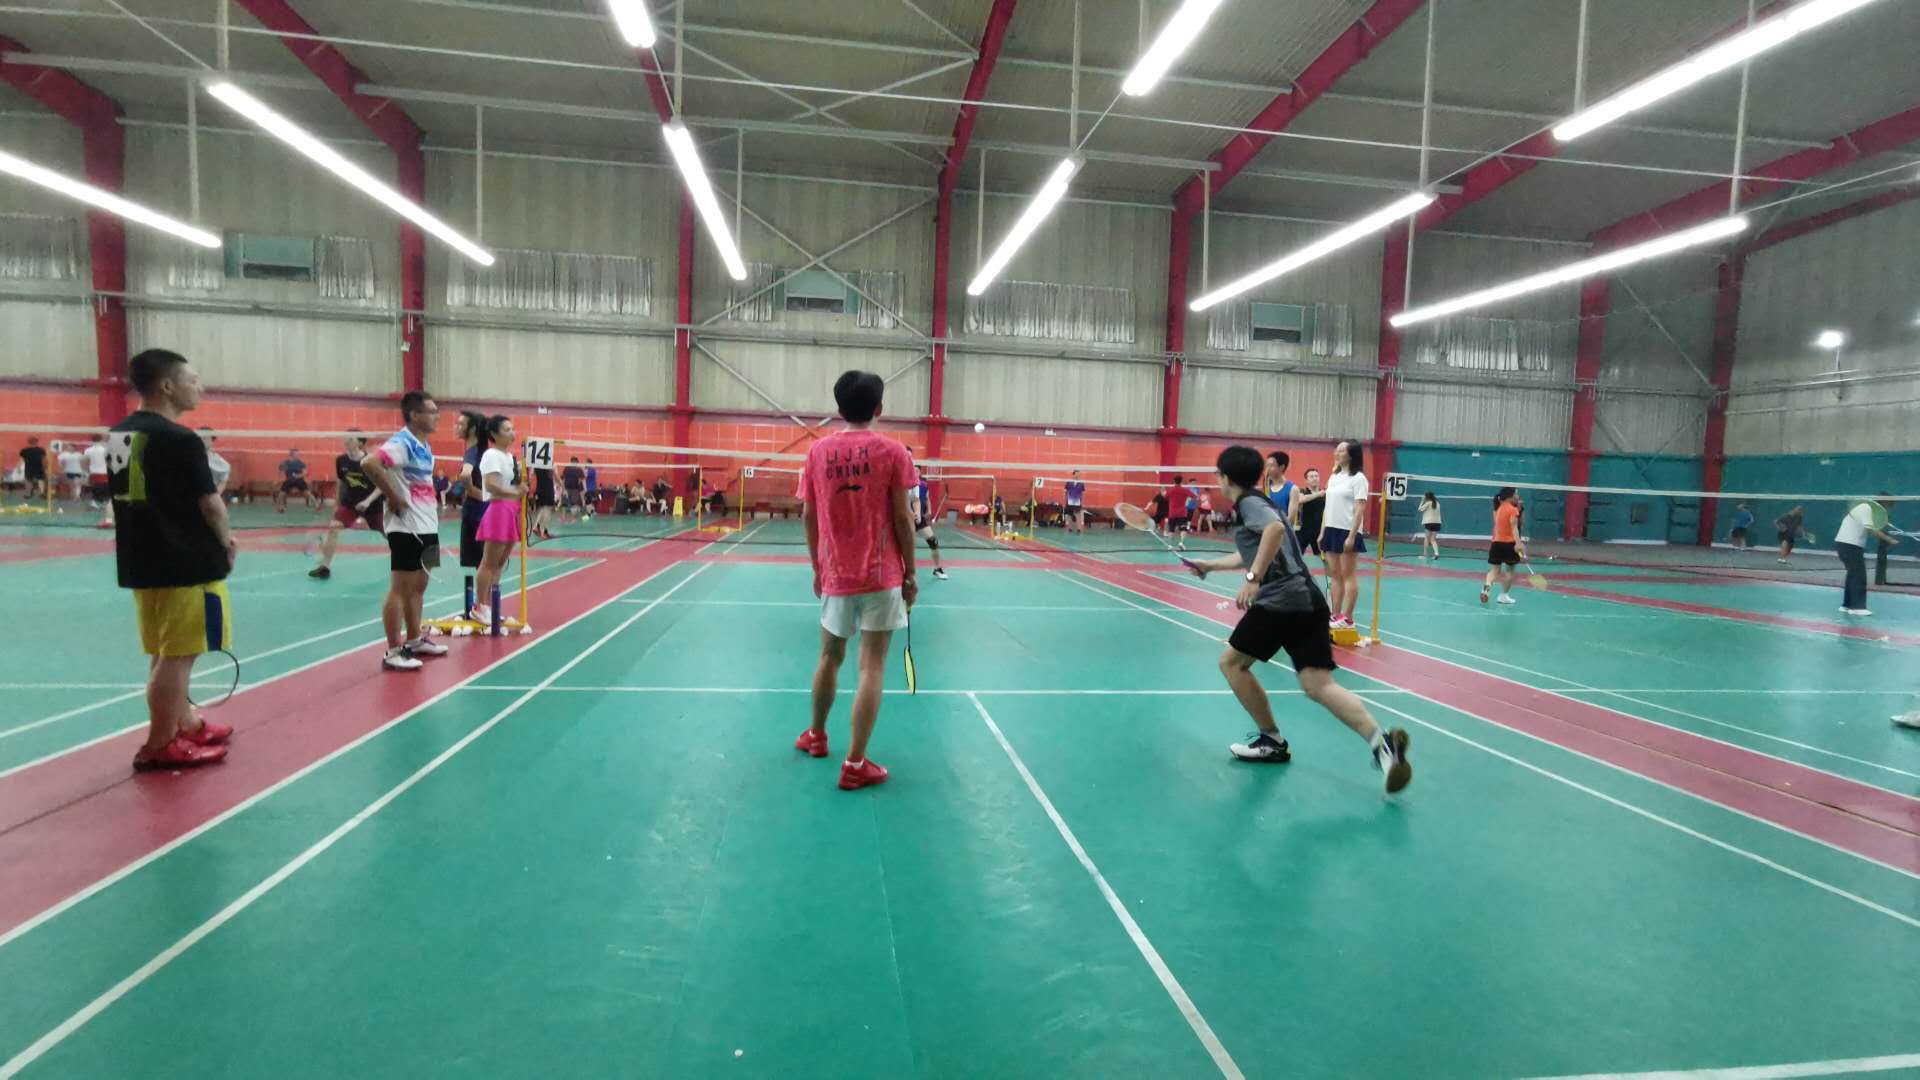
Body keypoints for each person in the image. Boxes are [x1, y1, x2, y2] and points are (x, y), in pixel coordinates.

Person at [1185, 445, 1410, 793]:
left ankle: (1272, 740)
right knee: (1319, 686)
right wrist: (1210, 566)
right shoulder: (1261, 502)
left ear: (1226, 478)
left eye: (1218, 474)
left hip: (1280, 601)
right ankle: (1383, 746)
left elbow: (1274, 531)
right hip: (1309, 600)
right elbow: (1255, 550)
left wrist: (1253, 579)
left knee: (1232, 663)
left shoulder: (1249, 505)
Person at [110, 349, 236, 770]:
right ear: (167, 385)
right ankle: (160, 743)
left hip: (141, 558)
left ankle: (186, 723)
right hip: (186, 562)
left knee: (165, 652)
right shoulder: (182, 439)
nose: (199, 387)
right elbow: (211, 504)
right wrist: (226, 543)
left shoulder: (120, 434)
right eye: (192, 380)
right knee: (179, 656)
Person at [796, 370, 918, 791]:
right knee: (872, 665)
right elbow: (902, 518)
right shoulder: (894, 452)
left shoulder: (817, 452)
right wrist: (911, 573)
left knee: (829, 656)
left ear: (839, 408)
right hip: (882, 576)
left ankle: (816, 735)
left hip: (836, 575)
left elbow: (808, 515)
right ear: (879, 408)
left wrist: (818, 567)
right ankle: (854, 764)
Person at [361, 392, 450, 671]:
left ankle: (414, 640)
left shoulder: (424, 445)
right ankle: (393, 651)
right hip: (406, 527)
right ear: (414, 415)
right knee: (401, 590)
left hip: (428, 525)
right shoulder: (403, 442)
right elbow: (369, 463)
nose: (437, 416)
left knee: (420, 586)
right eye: (432, 411)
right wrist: (393, 496)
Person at [471, 416, 524, 629]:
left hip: (512, 509)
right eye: (507, 429)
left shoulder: (510, 457)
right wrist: (514, 492)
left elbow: (511, 484)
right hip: (498, 509)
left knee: (500, 563)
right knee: (489, 562)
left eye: (513, 429)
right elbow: (491, 485)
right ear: (494, 434)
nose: (512, 433)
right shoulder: (491, 455)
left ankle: (491, 606)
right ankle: (479, 607)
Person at [309, 432, 384, 580]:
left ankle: (405, 557)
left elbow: (382, 485)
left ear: (359, 443)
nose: (347, 441)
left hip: (373, 505)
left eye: (351, 439)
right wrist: (337, 502)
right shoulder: (341, 460)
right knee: (333, 528)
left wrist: (368, 501)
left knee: (387, 534)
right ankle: (325, 567)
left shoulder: (370, 460)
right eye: (346, 438)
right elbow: (341, 482)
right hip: (350, 503)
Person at [1319, 441, 1369, 629]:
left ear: (1351, 454)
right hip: (1331, 529)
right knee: (1335, 575)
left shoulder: (1359, 479)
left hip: (1347, 530)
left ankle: (1348, 618)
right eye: (1337, 450)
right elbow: (1327, 507)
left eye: (1342, 450)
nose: (1337, 453)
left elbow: (1359, 509)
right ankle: (1335, 615)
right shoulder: (1334, 477)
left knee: (1348, 575)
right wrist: (1322, 531)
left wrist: (1352, 535)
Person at [1835, 495, 1898, 617]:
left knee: (1853, 574)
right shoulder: (1866, 507)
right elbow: (1871, 530)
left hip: (1845, 545)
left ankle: (1847, 605)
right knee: (1859, 576)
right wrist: (1889, 539)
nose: (1887, 509)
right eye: (1888, 506)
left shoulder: (1863, 508)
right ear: (1884, 503)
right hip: (1850, 545)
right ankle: (1857, 607)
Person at [1481, 487, 1525, 606]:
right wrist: (1518, 543)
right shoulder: (1513, 510)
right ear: (1510, 496)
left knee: (1494, 570)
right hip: (1509, 544)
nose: (1518, 496)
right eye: (1516, 494)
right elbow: (1514, 528)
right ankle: (1503, 596)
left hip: (1496, 544)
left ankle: (1487, 587)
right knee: (1510, 570)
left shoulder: (1499, 509)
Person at [910, 460, 949, 580]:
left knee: (933, 542)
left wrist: (929, 511)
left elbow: (927, 499)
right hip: (907, 519)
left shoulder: (924, 485)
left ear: (920, 472)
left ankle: (937, 569)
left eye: (917, 471)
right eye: (913, 470)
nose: (915, 472)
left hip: (920, 518)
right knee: (906, 547)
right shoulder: (905, 484)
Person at [84, 432, 112, 528]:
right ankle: (103, 505)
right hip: (104, 473)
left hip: (94, 473)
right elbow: (109, 462)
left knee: (95, 489)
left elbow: (86, 462)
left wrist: (87, 472)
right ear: (101, 440)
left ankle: (96, 504)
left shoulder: (88, 450)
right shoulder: (105, 450)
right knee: (106, 491)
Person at [275, 449, 315, 513]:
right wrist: (277, 480)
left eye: (298, 454)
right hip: (289, 480)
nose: (298, 455)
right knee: (281, 494)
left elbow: (305, 473)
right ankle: (278, 508)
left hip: (299, 480)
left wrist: (298, 476)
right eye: (297, 454)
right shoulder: (286, 463)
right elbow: (280, 471)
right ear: (292, 455)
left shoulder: (300, 463)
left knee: (308, 493)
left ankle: (316, 506)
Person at [1262, 451, 1297, 524]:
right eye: (1267, 465)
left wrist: (1276, 528)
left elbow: (1291, 519)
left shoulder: (1293, 489)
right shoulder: (1266, 487)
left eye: (1271, 465)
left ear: (1281, 467)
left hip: (1283, 529)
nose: (1267, 469)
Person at [198, 428, 231, 499]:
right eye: (200, 438)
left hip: (210, 497)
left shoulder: (222, 464)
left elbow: (222, 483)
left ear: (212, 441)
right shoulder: (187, 458)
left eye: (205, 438)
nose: (202, 440)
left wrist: (213, 498)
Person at [531, 456, 557, 541]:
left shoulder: (536, 465)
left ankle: (537, 527)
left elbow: (531, 475)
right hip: (548, 490)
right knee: (547, 511)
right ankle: (543, 532)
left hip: (540, 490)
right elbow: (554, 476)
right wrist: (561, 485)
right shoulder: (549, 465)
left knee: (543, 509)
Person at [1165, 475, 1194, 550]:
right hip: (1182, 513)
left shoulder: (1171, 490)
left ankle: (1169, 545)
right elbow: (1195, 497)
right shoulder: (1185, 490)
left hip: (1172, 513)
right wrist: (1188, 500)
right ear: (1181, 481)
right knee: (1183, 529)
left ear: (1174, 481)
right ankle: (1181, 543)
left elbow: (1165, 497)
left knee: (1171, 530)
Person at [18, 436, 47, 502]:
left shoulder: (24, 450)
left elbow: (21, 460)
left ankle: (28, 494)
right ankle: (42, 494)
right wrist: (45, 468)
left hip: (29, 468)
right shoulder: (41, 450)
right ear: (37, 442)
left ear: (28, 442)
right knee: (40, 480)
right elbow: (44, 460)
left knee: (29, 480)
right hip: (39, 467)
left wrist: (19, 468)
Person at [1418, 491, 1443, 560]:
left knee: (1426, 538)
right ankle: (1436, 553)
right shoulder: (1437, 503)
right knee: (1433, 540)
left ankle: (1425, 554)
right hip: (1437, 523)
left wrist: (1422, 501)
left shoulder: (1428, 503)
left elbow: (1420, 509)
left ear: (1427, 497)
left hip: (1429, 523)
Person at [562, 456, 586, 522]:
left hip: (575, 489)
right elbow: (563, 478)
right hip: (566, 489)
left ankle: (573, 518)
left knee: (574, 504)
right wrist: (563, 488)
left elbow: (582, 479)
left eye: (575, 462)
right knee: (564, 504)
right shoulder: (567, 468)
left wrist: (584, 489)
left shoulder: (579, 470)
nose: (574, 463)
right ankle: (563, 518)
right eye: (572, 462)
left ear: (577, 463)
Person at [1064, 470, 1086, 535]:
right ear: (1073, 475)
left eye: (1079, 474)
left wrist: (1082, 502)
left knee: (1078, 515)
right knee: (1069, 515)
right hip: (1069, 501)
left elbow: (1082, 493)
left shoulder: (1081, 483)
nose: (1078, 475)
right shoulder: (1069, 482)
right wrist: (1065, 500)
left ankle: (1079, 529)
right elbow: (1065, 492)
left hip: (1077, 502)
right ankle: (1070, 528)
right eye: (1076, 474)